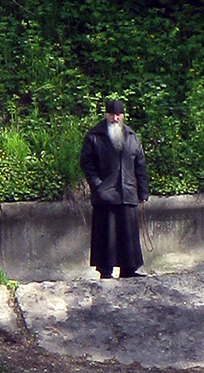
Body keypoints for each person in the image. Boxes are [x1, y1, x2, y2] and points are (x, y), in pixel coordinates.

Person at [80, 98, 149, 279]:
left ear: (123, 116)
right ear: (106, 115)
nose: (115, 118)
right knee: (107, 235)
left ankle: (129, 270)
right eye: (111, 114)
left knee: (128, 233)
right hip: (106, 194)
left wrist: (143, 191)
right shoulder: (95, 135)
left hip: (128, 192)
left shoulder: (132, 137)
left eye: (118, 115)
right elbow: (86, 163)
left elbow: (140, 165)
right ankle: (106, 271)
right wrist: (97, 186)